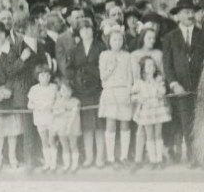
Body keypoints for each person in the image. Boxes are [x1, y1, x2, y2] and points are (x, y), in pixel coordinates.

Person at [0, 21, 29, 171]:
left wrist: (8, 89)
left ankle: (12, 157)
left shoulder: (12, 51)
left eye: (2, 32)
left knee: (12, 130)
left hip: (10, 94)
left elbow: (13, 74)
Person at [161, 0, 203, 165]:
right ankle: (193, 157)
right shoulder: (169, 38)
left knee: (201, 121)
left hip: (201, 88)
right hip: (181, 88)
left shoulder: (202, 34)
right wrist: (173, 84)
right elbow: (167, 64)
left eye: (192, 12)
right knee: (187, 123)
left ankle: (202, 155)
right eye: (186, 12)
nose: (190, 15)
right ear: (178, 15)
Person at [64, 13, 104, 167]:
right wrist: (77, 80)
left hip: (98, 90)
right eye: (82, 30)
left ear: (93, 30)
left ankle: (100, 157)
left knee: (100, 125)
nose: (86, 32)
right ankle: (89, 157)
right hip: (82, 91)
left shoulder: (100, 46)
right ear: (78, 32)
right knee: (87, 126)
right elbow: (69, 70)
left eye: (88, 29)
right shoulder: (74, 49)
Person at [98, 22, 136, 167]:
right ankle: (111, 158)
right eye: (114, 40)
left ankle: (124, 156)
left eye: (120, 40)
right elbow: (103, 77)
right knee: (111, 125)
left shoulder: (127, 56)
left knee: (125, 124)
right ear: (109, 41)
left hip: (123, 92)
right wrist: (111, 67)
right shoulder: (104, 55)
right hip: (110, 92)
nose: (117, 42)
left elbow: (129, 77)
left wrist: (129, 93)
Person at [132, 56, 171, 168]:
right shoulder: (139, 82)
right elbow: (132, 95)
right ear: (143, 68)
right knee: (149, 135)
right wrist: (139, 98)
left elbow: (163, 91)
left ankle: (159, 159)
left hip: (158, 108)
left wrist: (155, 82)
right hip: (146, 110)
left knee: (158, 134)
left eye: (153, 65)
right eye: (149, 65)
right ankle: (153, 160)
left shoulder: (158, 79)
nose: (152, 67)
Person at [27, 64, 59, 175]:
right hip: (40, 117)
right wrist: (37, 107)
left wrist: (52, 106)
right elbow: (29, 105)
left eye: (46, 75)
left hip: (51, 118)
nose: (44, 78)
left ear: (50, 76)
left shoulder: (53, 87)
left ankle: (54, 163)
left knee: (51, 140)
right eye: (41, 75)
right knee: (44, 141)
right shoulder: (34, 89)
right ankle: (47, 163)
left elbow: (58, 102)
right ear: (37, 77)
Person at [52, 77, 83, 171]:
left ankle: (75, 164)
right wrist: (61, 111)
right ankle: (66, 164)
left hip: (72, 126)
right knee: (64, 145)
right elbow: (54, 112)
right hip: (61, 126)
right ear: (60, 91)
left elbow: (74, 114)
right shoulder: (58, 101)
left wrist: (64, 112)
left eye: (68, 90)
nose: (66, 92)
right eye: (63, 90)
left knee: (73, 145)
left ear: (72, 91)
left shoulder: (75, 101)